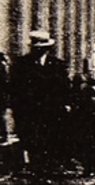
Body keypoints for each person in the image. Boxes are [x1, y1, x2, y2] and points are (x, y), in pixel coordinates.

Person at [9, 31, 71, 170]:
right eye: (36, 47)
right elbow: (14, 87)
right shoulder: (21, 64)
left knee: (50, 137)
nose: (39, 50)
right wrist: (17, 107)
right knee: (31, 138)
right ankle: (35, 166)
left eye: (42, 47)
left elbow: (65, 87)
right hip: (29, 110)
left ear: (47, 48)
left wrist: (66, 104)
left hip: (52, 110)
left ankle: (48, 165)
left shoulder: (58, 65)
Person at [0, 52, 9, 143]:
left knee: (1, 116)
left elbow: (5, 82)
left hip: (1, 95)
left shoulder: (1, 65)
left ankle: (4, 134)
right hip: (2, 95)